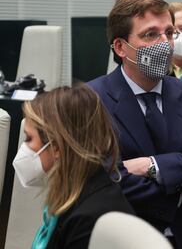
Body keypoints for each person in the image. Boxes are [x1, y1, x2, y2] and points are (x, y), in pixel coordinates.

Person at [88, 0, 182, 249]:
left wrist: (150, 166)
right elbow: (103, 183)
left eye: (169, 33)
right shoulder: (91, 100)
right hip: (124, 240)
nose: (165, 44)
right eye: (151, 35)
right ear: (120, 47)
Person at [12, 85, 135, 249]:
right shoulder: (75, 193)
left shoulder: (90, 220)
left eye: (28, 138)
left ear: (56, 147)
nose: (24, 147)